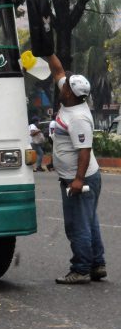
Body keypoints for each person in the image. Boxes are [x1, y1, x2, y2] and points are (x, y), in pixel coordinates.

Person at [41, 54, 106, 285]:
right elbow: (58, 70)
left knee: (77, 225)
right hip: (79, 177)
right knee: (89, 222)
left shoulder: (78, 117)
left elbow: (84, 151)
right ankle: (97, 264)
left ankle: (80, 269)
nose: (61, 82)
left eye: (65, 85)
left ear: (69, 92)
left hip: (80, 179)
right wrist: (47, 51)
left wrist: (77, 180)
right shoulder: (72, 98)